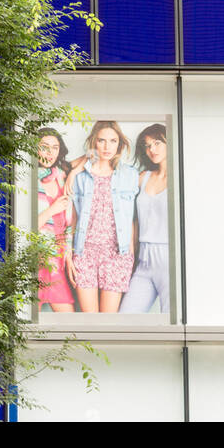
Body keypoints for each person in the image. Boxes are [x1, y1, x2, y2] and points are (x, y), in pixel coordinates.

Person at [64, 120, 139, 313]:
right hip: (85, 252)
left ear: (120, 144)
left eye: (113, 141)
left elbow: (132, 220)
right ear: (94, 143)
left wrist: (130, 256)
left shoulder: (130, 175)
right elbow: (71, 219)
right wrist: (75, 171)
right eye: (101, 141)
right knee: (89, 321)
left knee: (108, 323)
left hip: (117, 255)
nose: (107, 147)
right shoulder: (80, 176)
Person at [120, 123, 170, 315]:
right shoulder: (143, 177)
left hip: (169, 257)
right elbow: (132, 220)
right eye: (147, 146)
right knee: (126, 319)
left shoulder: (179, 177)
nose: (152, 150)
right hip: (143, 259)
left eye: (157, 143)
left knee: (171, 322)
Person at [36, 128, 75, 312]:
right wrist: (53, 209)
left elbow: (89, 157)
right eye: (44, 147)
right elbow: (26, 228)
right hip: (36, 260)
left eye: (55, 147)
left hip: (57, 260)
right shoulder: (26, 178)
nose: (50, 153)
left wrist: (73, 174)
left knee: (69, 324)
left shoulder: (61, 175)